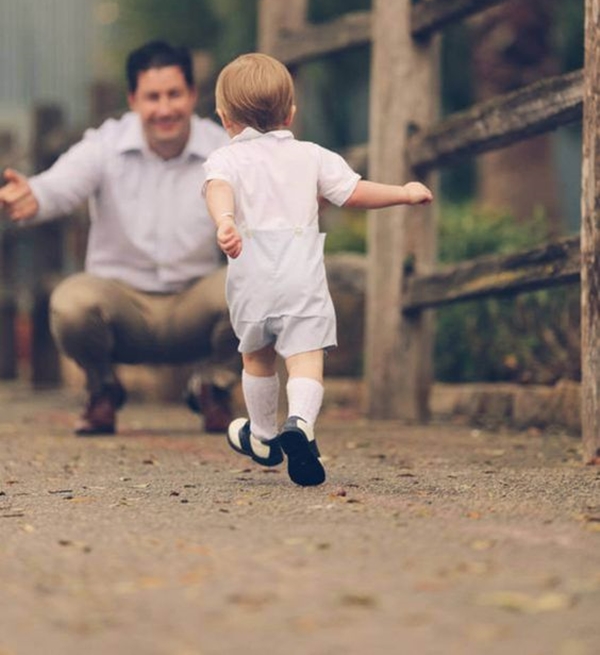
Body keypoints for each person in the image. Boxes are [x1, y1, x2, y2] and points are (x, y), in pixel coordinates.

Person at [203, 52, 433, 487]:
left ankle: (264, 436)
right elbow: (354, 193)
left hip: (251, 278)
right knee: (305, 361)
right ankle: (301, 424)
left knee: (257, 359)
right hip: (300, 279)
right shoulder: (311, 156)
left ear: (224, 119)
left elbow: (218, 190)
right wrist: (402, 193)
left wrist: (226, 220)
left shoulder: (224, 160)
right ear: (291, 113)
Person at [0, 40, 238, 435]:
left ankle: (214, 386)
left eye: (174, 94)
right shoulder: (104, 145)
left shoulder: (222, 148)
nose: (164, 109)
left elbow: (263, 200)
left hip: (194, 303)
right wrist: (34, 196)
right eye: (152, 97)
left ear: (193, 95)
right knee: (72, 301)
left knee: (260, 285)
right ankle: (103, 389)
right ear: (133, 99)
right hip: (121, 309)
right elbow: (61, 184)